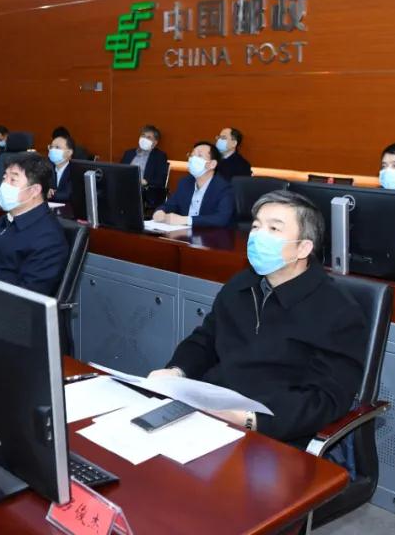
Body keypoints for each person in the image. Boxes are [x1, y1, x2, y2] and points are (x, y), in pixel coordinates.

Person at [149, 190, 366, 447]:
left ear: (303, 248)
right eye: (256, 226)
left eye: (274, 229)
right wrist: (177, 371)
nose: (259, 236)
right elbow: (206, 340)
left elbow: (325, 400)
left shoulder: (337, 310)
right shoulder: (242, 284)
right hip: (210, 411)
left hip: (274, 434)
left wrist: (250, 420)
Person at [0, 152, 69, 296]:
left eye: (13, 180)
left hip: (2, 304)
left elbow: (27, 297)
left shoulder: (49, 239)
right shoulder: (4, 221)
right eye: (5, 177)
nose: (4, 185)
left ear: (34, 190)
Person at [153, 141, 235, 227]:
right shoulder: (185, 182)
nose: (192, 159)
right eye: (192, 155)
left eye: (199, 155)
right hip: (183, 232)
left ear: (212, 164)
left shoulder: (225, 188)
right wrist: (160, 211)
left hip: (211, 233)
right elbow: (170, 205)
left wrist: (186, 220)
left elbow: (222, 218)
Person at [120, 124, 169, 209]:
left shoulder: (159, 156)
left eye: (148, 137)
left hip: (143, 190)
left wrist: (145, 182)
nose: (144, 139)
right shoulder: (129, 153)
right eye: (143, 135)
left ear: (155, 143)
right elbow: (119, 171)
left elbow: (161, 180)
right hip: (124, 185)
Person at [48, 134, 75, 203]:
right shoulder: (46, 168)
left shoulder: (75, 171)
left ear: (69, 152)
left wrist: (51, 194)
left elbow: (69, 195)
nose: (52, 150)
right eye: (51, 147)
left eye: (57, 147)